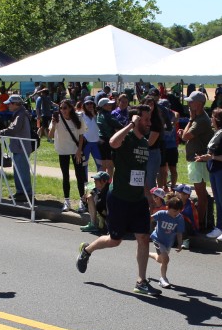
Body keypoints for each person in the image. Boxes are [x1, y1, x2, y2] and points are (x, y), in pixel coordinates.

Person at [76, 107, 160, 296]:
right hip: (120, 198)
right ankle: (87, 250)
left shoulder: (144, 143)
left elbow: (141, 173)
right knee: (115, 241)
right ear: (136, 120)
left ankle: (141, 281)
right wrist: (130, 125)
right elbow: (113, 142)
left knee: (143, 238)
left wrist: (149, 197)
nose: (149, 123)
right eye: (146, 119)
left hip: (138, 199)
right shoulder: (125, 138)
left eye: (150, 119)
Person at [194, 110, 222, 242]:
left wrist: (210, 157)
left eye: (212, 117)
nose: (211, 120)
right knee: (218, 200)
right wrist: (206, 158)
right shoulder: (218, 133)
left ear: (218, 119)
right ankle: (219, 227)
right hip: (215, 170)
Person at [0, 94, 34, 203]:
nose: (8, 106)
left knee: (22, 171)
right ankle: (20, 192)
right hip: (19, 147)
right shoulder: (20, 113)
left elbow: (14, 129)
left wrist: (1, 133)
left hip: (21, 147)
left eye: (10, 104)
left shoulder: (21, 115)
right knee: (18, 170)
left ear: (16, 104)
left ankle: (26, 193)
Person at [181, 91, 212, 232]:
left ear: (199, 104)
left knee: (201, 194)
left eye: (191, 101)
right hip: (196, 160)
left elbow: (185, 136)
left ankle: (198, 224)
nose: (189, 103)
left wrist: (190, 120)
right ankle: (201, 221)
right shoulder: (198, 118)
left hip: (198, 161)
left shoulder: (201, 120)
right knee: (201, 193)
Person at [49, 99, 88, 212]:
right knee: (65, 176)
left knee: (79, 175)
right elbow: (50, 136)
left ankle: (82, 201)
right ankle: (67, 201)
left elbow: (81, 135)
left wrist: (79, 150)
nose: (62, 110)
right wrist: (54, 125)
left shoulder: (78, 118)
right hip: (62, 150)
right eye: (61, 108)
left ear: (71, 108)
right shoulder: (57, 118)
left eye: (65, 108)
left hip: (75, 150)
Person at [150, 196, 185, 289]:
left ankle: (147, 254)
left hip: (168, 243)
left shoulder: (179, 218)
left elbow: (179, 232)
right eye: (174, 211)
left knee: (160, 260)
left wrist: (179, 244)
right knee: (166, 259)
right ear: (167, 208)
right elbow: (150, 218)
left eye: (179, 211)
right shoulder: (161, 214)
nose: (176, 213)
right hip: (157, 239)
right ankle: (163, 279)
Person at [95, 96, 122, 178]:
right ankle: (108, 183)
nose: (110, 106)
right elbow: (119, 125)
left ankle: (101, 182)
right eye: (108, 104)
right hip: (108, 141)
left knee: (103, 165)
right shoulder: (107, 116)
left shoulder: (99, 114)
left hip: (101, 140)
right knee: (110, 165)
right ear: (103, 106)